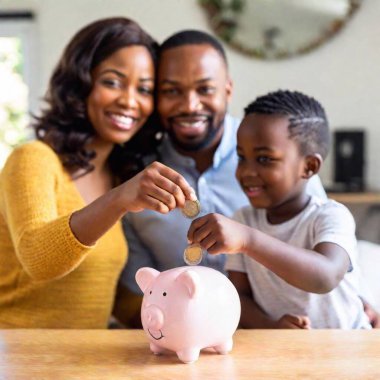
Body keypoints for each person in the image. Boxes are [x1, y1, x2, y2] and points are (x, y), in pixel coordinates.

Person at [117, 30, 326, 326]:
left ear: (227, 90)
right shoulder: (137, 177)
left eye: (205, 89)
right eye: (172, 91)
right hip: (184, 341)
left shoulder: (279, 152)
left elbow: (326, 243)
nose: (190, 105)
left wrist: (357, 300)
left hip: (287, 333)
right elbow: (138, 291)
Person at [0, 18, 196, 329]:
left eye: (144, 89)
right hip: (17, 361)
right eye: (112, 82)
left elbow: (101, 292)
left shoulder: (115, 177)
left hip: (80, 365)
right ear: (82, 84)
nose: (129, 101)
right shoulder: (33, 159)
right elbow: (39, 260)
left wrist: (181, 321)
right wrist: (119, 199)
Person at [187, 90, 371, 329]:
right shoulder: (243, 219)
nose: (246, 172)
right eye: (242, 157)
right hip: (281, 351)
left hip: (347, 349)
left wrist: (248, 240)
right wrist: (271, 326)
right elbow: (239, 298)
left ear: (309, 166)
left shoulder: (330, 215)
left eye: (264, 159)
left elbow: (325, 276)